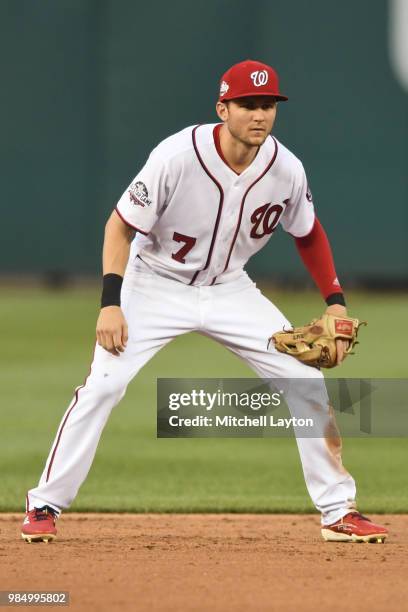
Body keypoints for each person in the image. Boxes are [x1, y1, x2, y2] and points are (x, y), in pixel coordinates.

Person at [21, 59, 387, 544]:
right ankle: (45, 502)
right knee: (104, 386)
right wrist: (111, 302)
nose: (260, 115)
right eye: (248, 104)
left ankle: (339, 511)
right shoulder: (177, 155)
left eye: (269, 105)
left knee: (305, 381)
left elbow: (309, 233)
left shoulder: (286, 168)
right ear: (223, 108)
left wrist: (335, 300)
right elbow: (119, 226)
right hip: (152, 285)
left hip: (229, 289)